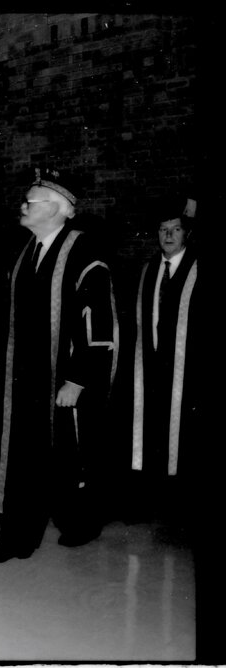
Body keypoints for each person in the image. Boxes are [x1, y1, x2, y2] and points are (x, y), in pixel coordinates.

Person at [0, 167, 119, 563]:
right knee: (19, 457)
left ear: (56, 209)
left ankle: (80, 523)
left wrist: (78, 379)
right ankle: (16, 538)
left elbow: (99, 324)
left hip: (61, 379)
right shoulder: (23, 252)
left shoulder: (85, 254)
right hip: (20, 380)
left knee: (64, 457)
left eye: (30, 202)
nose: (22, 207)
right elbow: (6, 318)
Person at [129, 196, 200, 522]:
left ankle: (179, 509)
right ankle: (151, 500)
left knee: (184, 439)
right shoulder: (149, 270)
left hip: (188, 372)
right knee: (152, 435)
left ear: (187, 233)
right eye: (162, 230)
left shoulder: (199, 270)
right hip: (152, 369)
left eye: (175, 229)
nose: (168, 236)